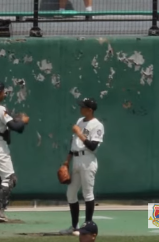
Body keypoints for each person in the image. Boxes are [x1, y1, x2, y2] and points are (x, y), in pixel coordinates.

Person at [0, 79, 29, 222]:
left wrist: (15, 119)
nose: (4, 93)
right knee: (10, 178)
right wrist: (22, 121)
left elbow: (4, 124)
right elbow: (16, 127)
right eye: (2, 91)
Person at [61, 98, 104, 235]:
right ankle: (74, 227)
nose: (81, 108)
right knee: (71, 193)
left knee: (87, 194)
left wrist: (79, 133)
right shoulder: (80, 121)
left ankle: (87, 228)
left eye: (83, 107)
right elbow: (74, 144)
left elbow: (93, 146)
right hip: (76, 159)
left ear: (90, 110)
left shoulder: (97, 125)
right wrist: (67, 161)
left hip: (88, 160)